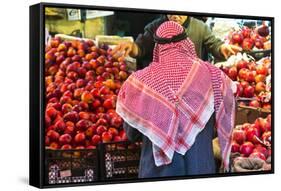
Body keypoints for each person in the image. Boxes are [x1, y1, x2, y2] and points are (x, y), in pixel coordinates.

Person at [116, 21, 236, 178]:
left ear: (157, 47)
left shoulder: (140, 82)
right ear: (187, 43)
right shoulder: (213, 75)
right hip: (201, 168)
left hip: (157, 173)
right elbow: (226, 115)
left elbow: (132, 134)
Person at [112, 15, 241, 69]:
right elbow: (141, 47)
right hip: (163, 87)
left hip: (193, 86)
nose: (175, 15)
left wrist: (222, 48)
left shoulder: (200, 27)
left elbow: (214, 44)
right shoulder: (155, 27)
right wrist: (132, 48)